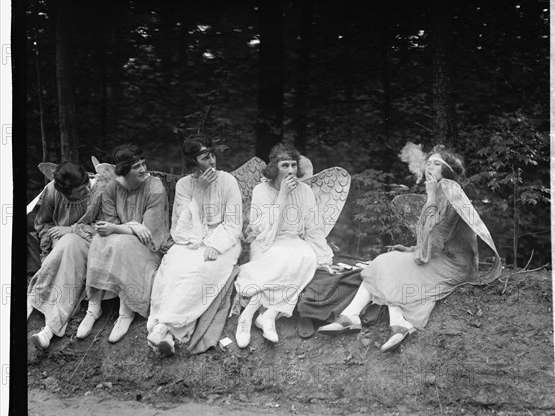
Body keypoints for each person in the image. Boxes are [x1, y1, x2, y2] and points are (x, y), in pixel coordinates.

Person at [318, 145, 502, 352]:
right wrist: (410, 248)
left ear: (448, 171)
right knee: (388, 260)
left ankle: (389, 321)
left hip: (454, 265)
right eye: (429, 162)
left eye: (437, 163)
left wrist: (430, 198)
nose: (429, 166)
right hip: (439, 256)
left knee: (390, 263)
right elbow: (427, 239)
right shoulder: (439, 192)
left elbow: (436, 240)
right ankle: (356, 316)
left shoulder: (451, 194)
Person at [146, 137, 243, 356]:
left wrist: (217, 245)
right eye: (205, 157)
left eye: (212, 154)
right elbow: (180, 230)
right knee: (173, 267)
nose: (212, 160)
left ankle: (164, 327)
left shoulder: (228, 181)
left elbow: (235, 223)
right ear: (193, 162)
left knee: (201, 270)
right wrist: (199, 191)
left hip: (224, 240)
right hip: (190, 240)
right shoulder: (184, 185)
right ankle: (170, 336)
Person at [234, 143, 333, 347]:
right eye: (285, 166)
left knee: (307, 257)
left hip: (293, 242)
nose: (290, 171)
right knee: (282, 260)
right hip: (266, 242)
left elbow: (313, 228)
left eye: (293, 165)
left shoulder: (305, 191)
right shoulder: (262, 190)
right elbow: (260, 228)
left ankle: (269, 315)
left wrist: (323, 255)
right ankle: (246, 318)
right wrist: (282, 195)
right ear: (274, 168)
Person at [77, 143, 169, 343]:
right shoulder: (112, 188)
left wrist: (130, 227)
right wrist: (133, 225)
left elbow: (150, 232)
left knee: (123, 242)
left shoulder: (155, 187)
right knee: (99, 240)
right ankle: (94, 308)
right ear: (123, 171)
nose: (143, 170)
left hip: (149, 247)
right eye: (136, 167)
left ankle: (126, 311)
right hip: (123, 239)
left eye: (143, 164)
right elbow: (110, 224)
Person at [27, 161, 99, 349]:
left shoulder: (99, 190)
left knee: (69, 244)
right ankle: (41, 315)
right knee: (62, 250)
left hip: (90, 245)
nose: (86, 191)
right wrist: (45, 256)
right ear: (65, 193)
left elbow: (105, 226)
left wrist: (72, 229)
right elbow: (43, 226)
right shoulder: (51, 191)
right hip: (59, 246)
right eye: (80, 191)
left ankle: (50, 326)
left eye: (86, 186)